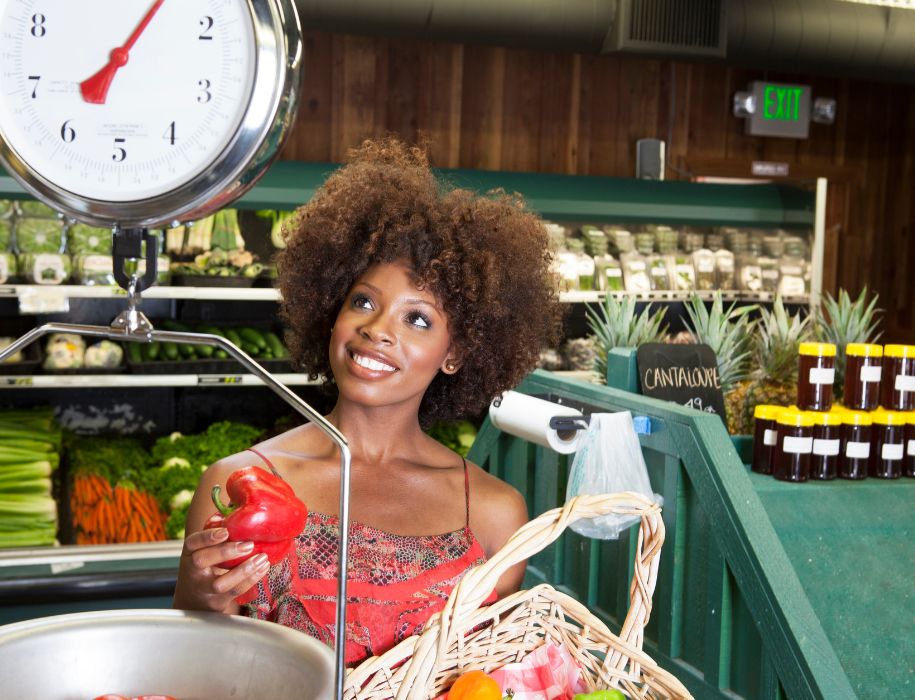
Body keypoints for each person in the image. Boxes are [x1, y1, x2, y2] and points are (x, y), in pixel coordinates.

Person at [172, 138, 564, 664]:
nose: (377, 329)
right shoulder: (238, 483)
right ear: (330, 311)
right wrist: (200, 597)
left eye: (417, 319)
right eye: (363, 302)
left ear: (457, 353)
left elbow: (491, 685)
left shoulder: (495, 514)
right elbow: (193, 667)